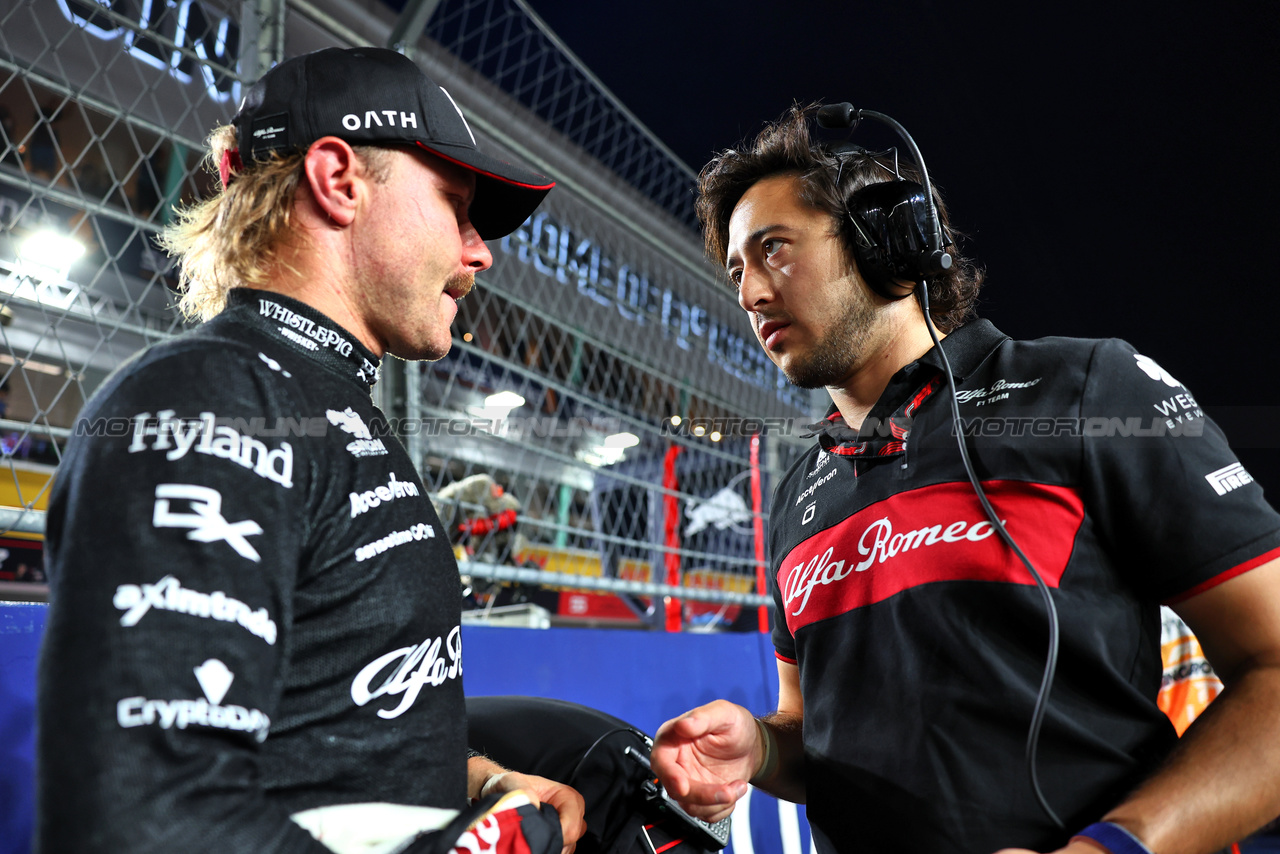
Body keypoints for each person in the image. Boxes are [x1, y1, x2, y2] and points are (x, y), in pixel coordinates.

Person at [649, 105, 1280, 854]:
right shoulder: (796, 496)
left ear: (887, 244)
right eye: (736, 270)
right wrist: (758, 745)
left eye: (775, 250)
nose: (750, 294)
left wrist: (1115, 846)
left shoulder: (1086, 389)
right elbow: (810, 735)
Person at [36, 47, 586, 854]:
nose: (480, 252)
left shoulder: (319, 405)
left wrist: (482, 782)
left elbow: (328, 726)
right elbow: (146, 817)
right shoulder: (216, 400)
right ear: (340, 181)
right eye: (456, 205)